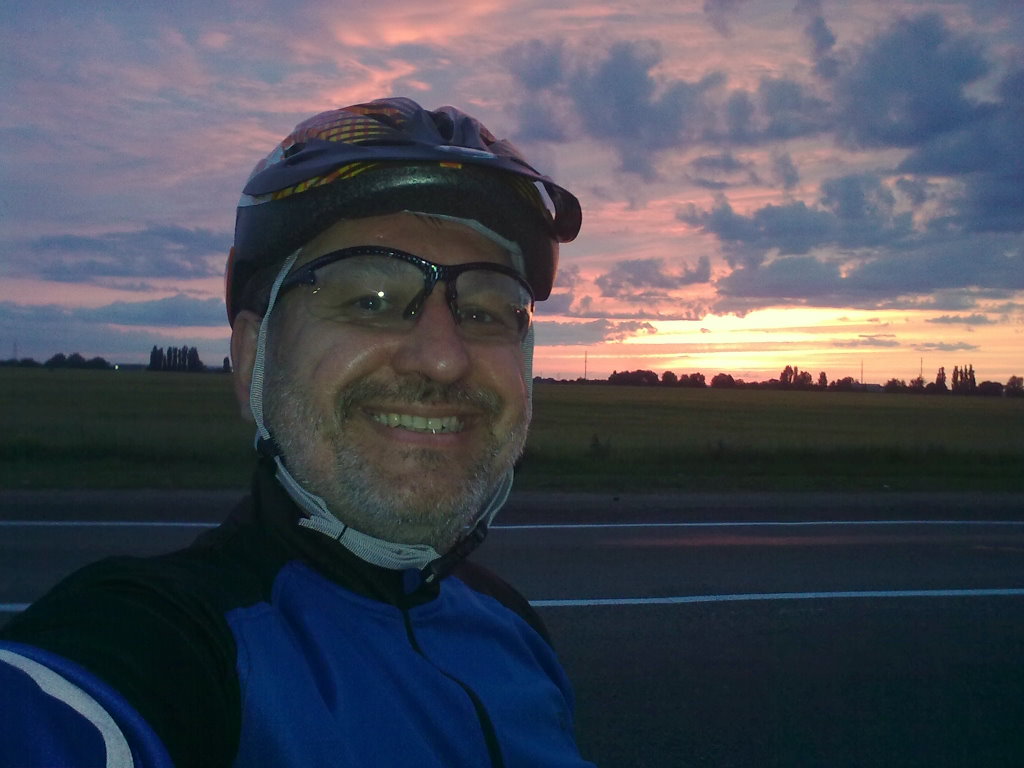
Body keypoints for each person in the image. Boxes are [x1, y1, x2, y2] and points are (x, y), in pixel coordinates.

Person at [0, 97, 592, 767]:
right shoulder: (159, 640)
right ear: (251, 357)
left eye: (486, 312)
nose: (442, 358)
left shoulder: (512, 626)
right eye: (370, 300)